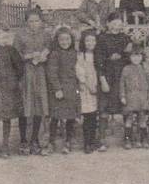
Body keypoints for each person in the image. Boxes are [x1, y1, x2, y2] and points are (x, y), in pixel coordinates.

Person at [14, 8, 52, 155]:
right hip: (26, 73)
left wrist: (44, 54)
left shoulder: (46, 34)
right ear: (26, 22)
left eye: (37, 21)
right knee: (26, 105)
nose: (34, 24)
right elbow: (16, 54)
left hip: (41, 72)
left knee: (38, 105)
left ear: (41, 22)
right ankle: (23, 140)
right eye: (31, 21)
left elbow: (50, 48)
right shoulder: (20, 35)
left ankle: (35, 139)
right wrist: (30, 55)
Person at [94, 12, 132, 151]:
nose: (117, 26)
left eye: (119, 24)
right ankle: (102, 139)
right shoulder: (101, 38)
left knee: (125, 108)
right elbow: (98, 61)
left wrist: (123, 54)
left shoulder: (126, 38)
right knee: (104, 109)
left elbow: (131, 58)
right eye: (114, 23)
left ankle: (128, 138)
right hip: (108, 77)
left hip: (122, 77)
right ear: (108, 24)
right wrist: (102, 79)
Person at [0, 24, 24, 158]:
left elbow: (20, 68)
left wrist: (13, 80)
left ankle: (5, 146)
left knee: (7, 117)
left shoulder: (11, 50)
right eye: (2, 37)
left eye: (7, 37)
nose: (5, 39)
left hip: (9, 89)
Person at [46, 26, 79, 154]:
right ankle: (51, 142)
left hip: (71, 88)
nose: (65, 42)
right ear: (57, 41)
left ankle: (68, 142)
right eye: (62, 40)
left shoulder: (74, 53)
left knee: (71, 116)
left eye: (67, 39)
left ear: (71, 40)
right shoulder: (55, 54)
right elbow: (51, 73)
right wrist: (57, 89)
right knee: (55, 116)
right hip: (59, 90)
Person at [120, 45, 149, 149]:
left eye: (138, 56)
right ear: (129, 57)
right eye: (133, 56)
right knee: (129, 119)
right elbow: (122, 84)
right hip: (130, 97)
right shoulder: (126, 69)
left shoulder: (145, 68)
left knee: (142, 119)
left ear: (142, 57)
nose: (136, 58)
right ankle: (128, 139)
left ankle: (143, 139)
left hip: (142, 97)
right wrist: (122, 96)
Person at [76, 29, 99, 154]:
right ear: (83, 42)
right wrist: (87, 84)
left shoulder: (98, 54)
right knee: (87, 115)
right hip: (86, 88)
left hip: (96, 87)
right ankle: (87, 142)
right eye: (87, 40)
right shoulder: (81, 55)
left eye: (93, 40)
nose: (90, 43)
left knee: (94, 115)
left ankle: (93, 140)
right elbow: (79, 71)